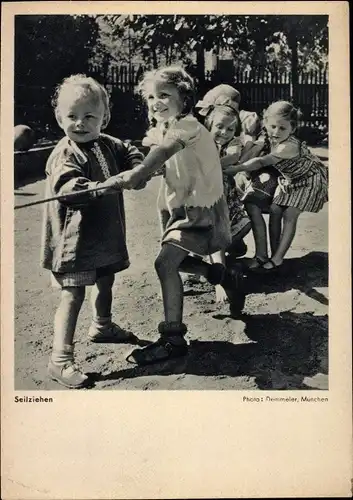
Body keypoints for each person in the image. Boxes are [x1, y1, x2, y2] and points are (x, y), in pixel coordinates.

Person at [117, 65, 246, 365]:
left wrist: (140, 172)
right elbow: (165, 161)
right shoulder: (166, 128)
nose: (155, 102)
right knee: (175, 261)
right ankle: (222, 276)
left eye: (164, 94)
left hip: (200, 209)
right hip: (181, 206)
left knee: (165, 263)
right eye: (150, 97)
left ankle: (173, 339)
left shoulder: (186, 127)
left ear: (184, 99)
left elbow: (161, 154)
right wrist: (142, 173)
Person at [40, 74, 145, 388]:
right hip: (74, 240)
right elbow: (70, 187)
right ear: (60, 117)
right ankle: (60, 359)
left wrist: (138, 168)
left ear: (104, 118)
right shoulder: (64, 154)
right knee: (73, 295)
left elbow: (129, 152)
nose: (80, 123)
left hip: (103, 234)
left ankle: (101, 324)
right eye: (71, 116)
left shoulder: (108, 143)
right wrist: (101, 186)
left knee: (106, 278)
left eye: (89, 116)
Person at [223, 100, 328, 272]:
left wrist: (238, 168)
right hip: (290, 180)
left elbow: (261, 161)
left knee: (290, 214)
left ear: (292, 129)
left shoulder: (287, 146)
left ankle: (277, 259)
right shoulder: (267, 138)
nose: (276, 132)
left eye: (282, 128)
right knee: (274, 209)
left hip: (309, 180)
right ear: (265, 122)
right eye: (272, 126)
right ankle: (267, 256)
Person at [195, 86, 253, 302]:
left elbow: (232, 156)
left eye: (230, 129)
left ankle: (220, 268)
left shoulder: (233, 144)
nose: (224, 133)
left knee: (227, 230)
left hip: (224, 198)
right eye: (219, 127)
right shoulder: (201, 142)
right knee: (208, 234)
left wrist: (210, 166)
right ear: (209, 124)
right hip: (204, 197)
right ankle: (214, 274)